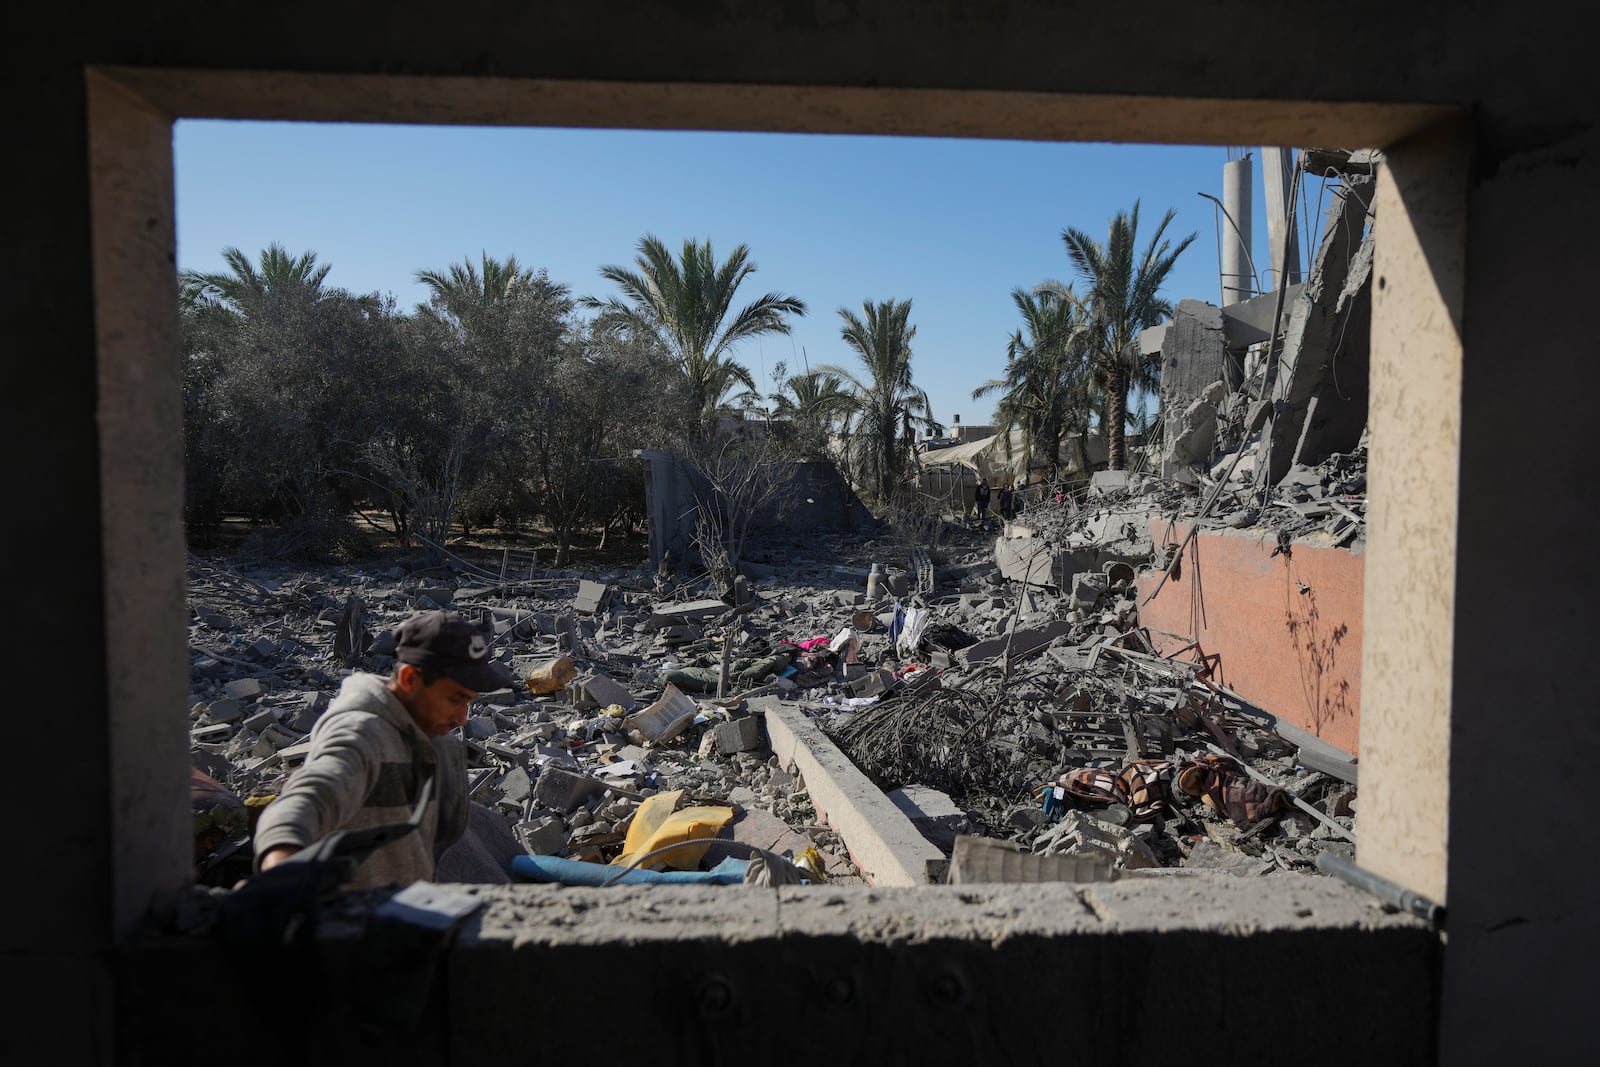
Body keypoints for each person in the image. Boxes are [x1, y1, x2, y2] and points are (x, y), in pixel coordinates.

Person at [252, 609, 513, 889]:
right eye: (455, 699)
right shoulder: (361, 733)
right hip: (354, 922)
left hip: (403, 912)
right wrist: (279, 875)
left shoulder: (422, 731)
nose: (462, 718)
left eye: (469, 702)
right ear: (410, 679)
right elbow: (311, 795)